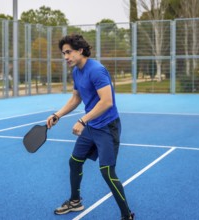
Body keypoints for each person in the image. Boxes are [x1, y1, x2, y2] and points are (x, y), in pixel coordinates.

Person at [46, 34, 134, 220]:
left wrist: (82, 120)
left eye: (68, 52)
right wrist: (57, 115)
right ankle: (75, 201)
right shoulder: (76, 72)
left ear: (80, 50)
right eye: (63, 53)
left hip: (106, 127)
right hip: (91, 126)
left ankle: (127, 216)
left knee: (107, 172)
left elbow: (107, 101)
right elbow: (76, 98)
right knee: (74, 161)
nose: (66, 57)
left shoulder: (96, 70)